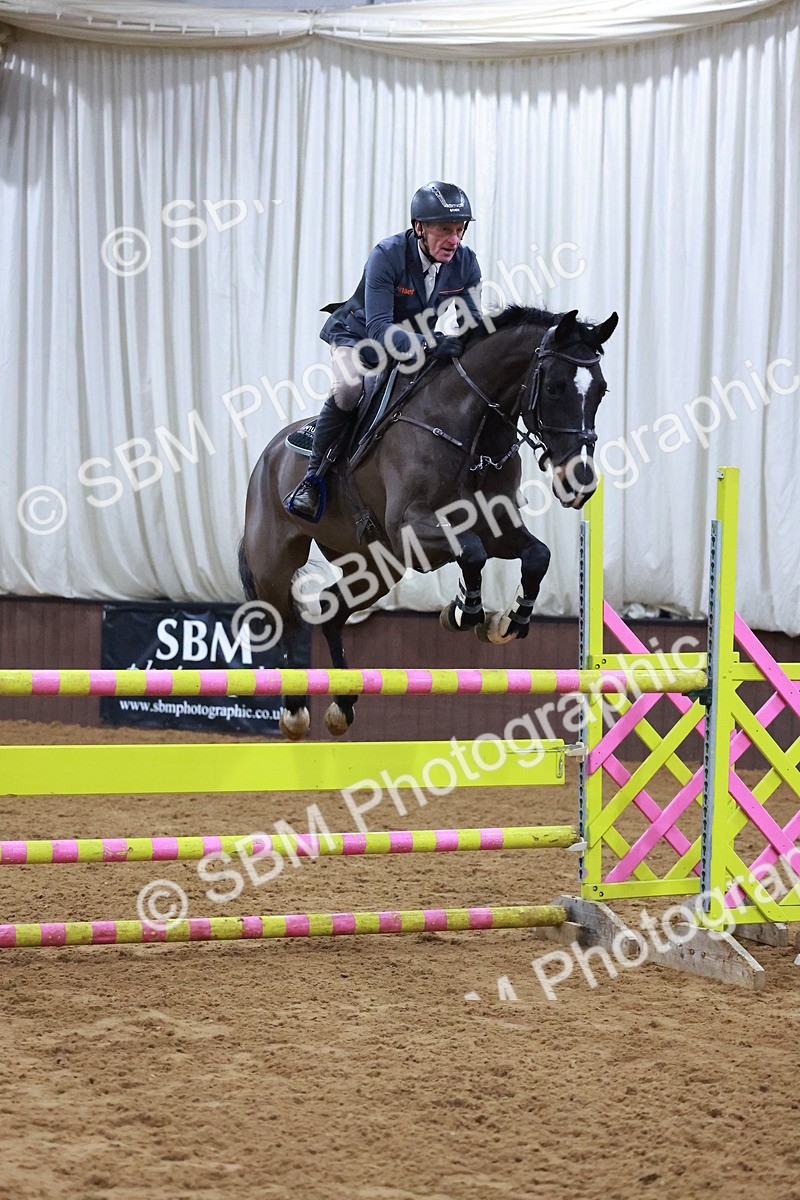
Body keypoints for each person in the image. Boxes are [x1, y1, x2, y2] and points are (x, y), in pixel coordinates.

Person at [285, 181, 482, 522]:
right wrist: (430, 344)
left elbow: (474, 323)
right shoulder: (388, 255)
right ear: (419, 227)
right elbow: (379, 328)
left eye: (460, 230)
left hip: (416, 343)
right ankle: (312, 480)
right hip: (360, 338)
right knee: (349, 389)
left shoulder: (465, 263)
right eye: (445, 230)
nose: (455, 240)